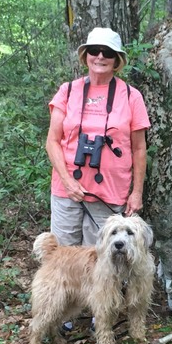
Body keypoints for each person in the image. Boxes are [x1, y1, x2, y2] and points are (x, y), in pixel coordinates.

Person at [46, 27, 150, 248]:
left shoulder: (132, 96)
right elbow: (52, 141)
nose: (100, 56)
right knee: (64, 261)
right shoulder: (68, 91)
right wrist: (67, 180)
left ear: (117, 59)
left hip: (109, 194)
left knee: (101, 262)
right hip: (68, 191)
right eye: (94, 50)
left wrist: (137, 193)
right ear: (86, 56)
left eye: (108, 52)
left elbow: (140, 149)